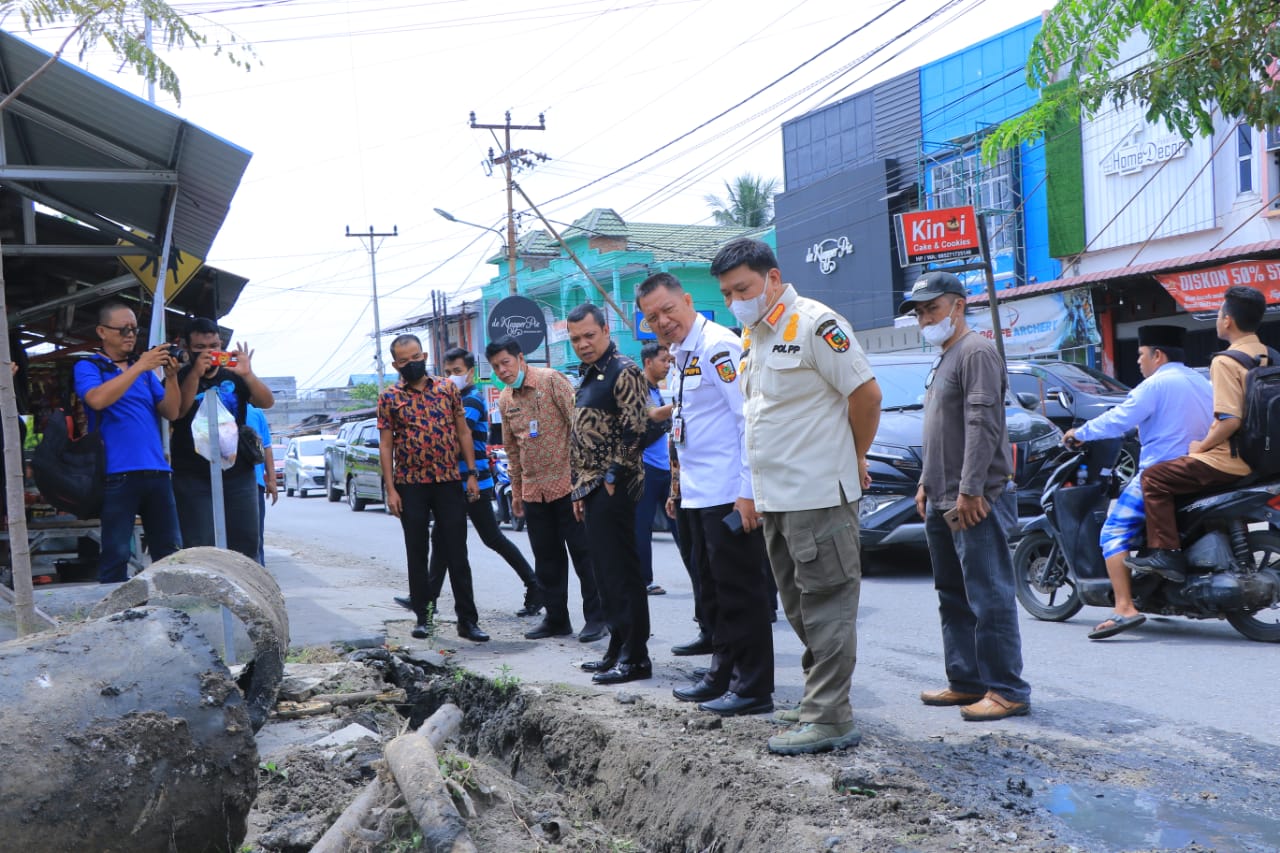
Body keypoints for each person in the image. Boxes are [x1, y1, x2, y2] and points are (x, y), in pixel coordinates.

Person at [716, 238, 881, 753]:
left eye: (742, 288)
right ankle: (818, 700)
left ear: (772, 277)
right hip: (778, 497)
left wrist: (854, 456)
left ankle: (832, 718)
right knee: (798, 606)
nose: (735, 301)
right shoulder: (754, 336)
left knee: (828, 603)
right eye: (726, 294)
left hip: (818, 493)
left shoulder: (815, 324)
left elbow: (866, 395)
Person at [637, 272, 776, 716]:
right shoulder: (682, 354)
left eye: (668, 310)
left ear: (688, 301)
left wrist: (748, 492)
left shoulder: (719, 345)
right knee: (713, 595)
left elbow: (747, 422)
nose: (662, 321)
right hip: (697, 495)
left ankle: (753, 687)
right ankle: (722, 674)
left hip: (727, 494)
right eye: (651, 317)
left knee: (741, 594)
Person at [904, 271, 1030, 722]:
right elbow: (940, 430)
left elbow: (983, 425)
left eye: (931, 308)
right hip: (942, 496)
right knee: (952, 592)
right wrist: (925, 481)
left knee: (989, 594)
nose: (924, 318)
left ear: (958, 305)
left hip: (975, 496)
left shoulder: (976, 351)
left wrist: (971, 488)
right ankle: (966, 681)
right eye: (919, 312)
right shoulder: (946, 355)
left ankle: (1007, 689)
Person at [1062, 325, 1212, 639]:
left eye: (1141, 355)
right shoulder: (1202, 382)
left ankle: (1124, 607)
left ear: (1157, 355)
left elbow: (1119, 419)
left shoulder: (1155, 385)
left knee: (1113, 532)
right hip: (1200, 470)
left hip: (1159, 472)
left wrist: (1080, 433)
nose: (1139, 362)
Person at [1128, 286, 1273, 581]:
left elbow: (1229, 420)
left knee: (1153, 478)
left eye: (1220, 312)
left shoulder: (1226, 361)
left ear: (1228, 320)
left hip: (1229, 460)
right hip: (1265, 460)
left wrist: (1201, 445)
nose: (1218, 318)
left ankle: (1166, 553)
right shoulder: (1271, 356)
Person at [486, 337, 606, 642]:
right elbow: (512, 451)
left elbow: (580, 428)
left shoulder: (552, 381)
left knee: (584, 555)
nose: (502, 370)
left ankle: (597, 618)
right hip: (533, 491)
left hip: (569, 486)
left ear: (521, 358)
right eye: (496, 366)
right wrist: (516, 491)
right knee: (547, 560)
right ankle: (556, 619)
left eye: (506, 363)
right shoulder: (505, 399)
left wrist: (585, 482)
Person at [566, 304, 655, 684]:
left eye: (589, 335)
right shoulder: (589, 375)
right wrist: (579, 487)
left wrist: (615, 473)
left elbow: (638, 428)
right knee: (605, 573)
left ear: (605, 330)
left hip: (615, 483)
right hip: (590, 484)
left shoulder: (625, 370)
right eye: (575, 339)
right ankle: (617, 648)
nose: (583, 344)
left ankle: (636, 657)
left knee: (623, 573)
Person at [378, 334, 487, 643]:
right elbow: (386, 446)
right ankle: (424, 618)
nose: (412, 364)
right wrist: (391, 489)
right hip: (410, 485)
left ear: (424, 355)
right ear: (395, 364)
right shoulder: (389, 397)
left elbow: (463, 432)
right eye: (404, 361)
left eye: (416, 357)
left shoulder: (447, 389)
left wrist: (471, 473)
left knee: (457, 552)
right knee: (416, 551)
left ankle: (468, 621)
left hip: (449, 480)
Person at [74, 302, 183, 583]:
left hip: (157, 471)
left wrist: (171, 378)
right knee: (116, 552)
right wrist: (140, 367)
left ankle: (172, 609)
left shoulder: (144, 371)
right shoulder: (89, 366)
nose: (130, 335)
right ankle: (114, 618)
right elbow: (97, 399)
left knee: (169, 550)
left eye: (134, 329)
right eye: (123, 329)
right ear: (102, 331)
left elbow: (171, 412)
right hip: (116, 473)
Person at [435, 346, 543, 617]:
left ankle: (534, 585)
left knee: (491, 538)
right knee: (442, 539)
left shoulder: (469, 400)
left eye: (457, 371)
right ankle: (425, 599)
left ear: (470, 372)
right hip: (457, 483)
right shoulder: (455, 399)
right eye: (447, 373)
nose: (451, 377)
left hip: (474, 483)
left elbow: (458, 438)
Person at [172, 317, 274, 562]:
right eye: (200, 349)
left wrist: (248, 374)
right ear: (186, 348)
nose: (209, 354)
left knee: (246, 542)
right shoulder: (178, 376)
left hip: (238, 473)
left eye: (215, 346)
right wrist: (195, 374)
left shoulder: (235, 375)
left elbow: (266, 402)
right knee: (199, 545)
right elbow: (178, 412)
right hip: (192, 474)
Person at [635, 341, 677, 596]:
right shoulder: (638, 387)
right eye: (664, 360)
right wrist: (684, 401)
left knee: (679, 523)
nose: (668, 366)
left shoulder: (655, 388)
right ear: (648, 362)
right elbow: (653, 416)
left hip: (665, 467)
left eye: (670, 361)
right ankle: (644, 579)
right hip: (646, 467)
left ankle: (699, 575)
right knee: (642, 525)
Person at [246, 404, 278, 566]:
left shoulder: (255, 413)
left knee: (255, 538)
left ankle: (259, 578)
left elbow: (266, 447)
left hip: (254, 484)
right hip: (220, 484)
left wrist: (272, 480)